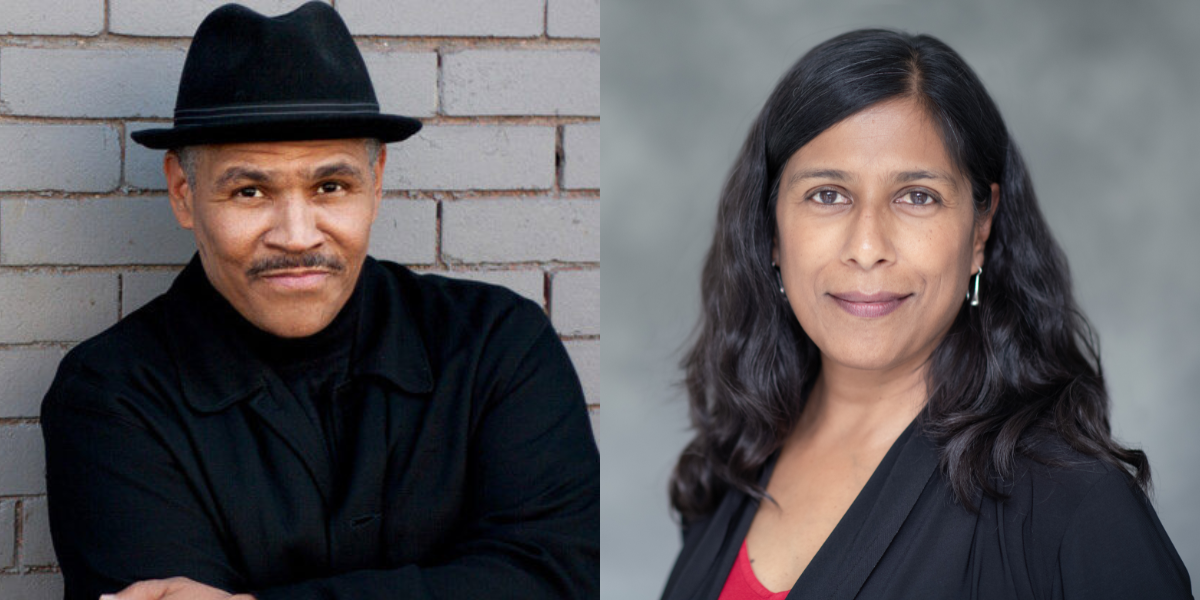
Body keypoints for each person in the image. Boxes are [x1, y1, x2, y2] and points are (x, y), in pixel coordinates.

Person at [40, 3, 599, 600]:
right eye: (249, 191)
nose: (297, 236)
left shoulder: (497, 346)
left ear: (376, 183)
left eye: (330, 187)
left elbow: (563, 579)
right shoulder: (112, 395)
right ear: (183, 192)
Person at [659, 29, 1191, 600]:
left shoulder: (1074, 503)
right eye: (827, 194)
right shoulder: (732, 462)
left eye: (917, 196)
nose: (867, 247)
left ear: (980, 230)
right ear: (771, 230)